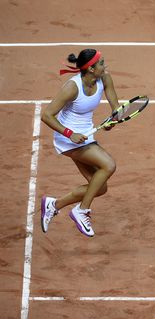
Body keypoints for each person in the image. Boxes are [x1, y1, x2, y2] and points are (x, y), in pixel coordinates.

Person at [40, 49, 120, 237]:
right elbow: (47, 115)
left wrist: (113, 120)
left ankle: (54, 205)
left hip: (86, 137)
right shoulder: (72, 87)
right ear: (91, 69)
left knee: (99, 187)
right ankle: (81, 210)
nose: (104, 66)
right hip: (68, 139)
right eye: (101, 64)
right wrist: (70, 133)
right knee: (108, 165)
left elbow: (116, 109)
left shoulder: (105, 79)